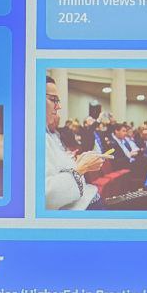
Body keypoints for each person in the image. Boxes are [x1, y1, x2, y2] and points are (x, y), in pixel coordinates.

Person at [44, 77, 104, 210]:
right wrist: (81, 167)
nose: (58, 107)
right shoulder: (35, 137)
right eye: (53, 99)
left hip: (87, 198)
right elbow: (46, 195)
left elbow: (58, 169)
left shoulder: (46, 135)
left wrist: (78, 162)